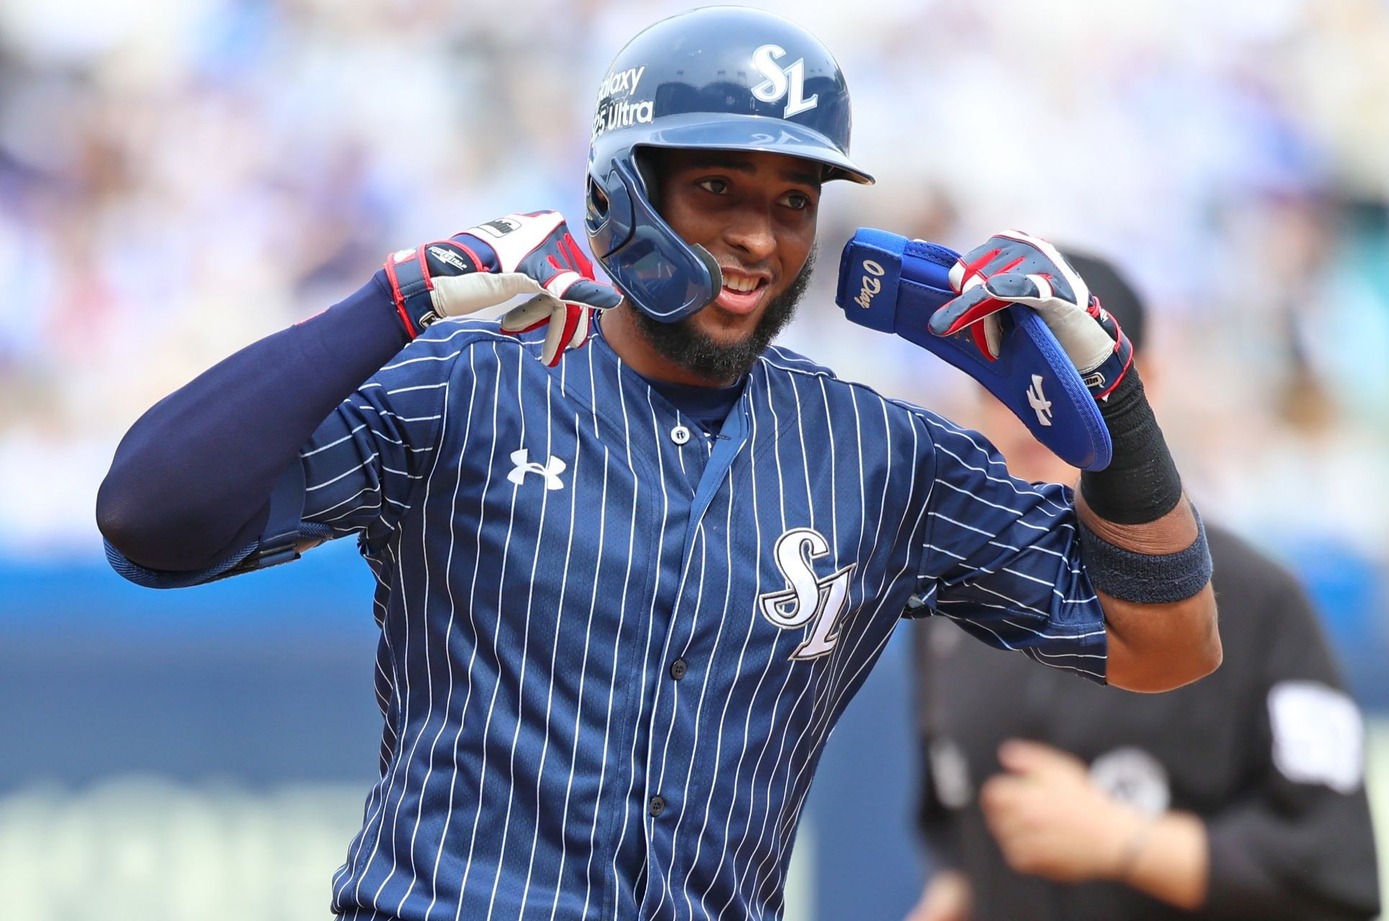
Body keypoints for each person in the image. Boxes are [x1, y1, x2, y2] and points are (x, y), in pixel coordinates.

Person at [96, 7, 1219, 920]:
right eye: (715, 189)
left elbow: (1164, 645)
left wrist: (1110, 397)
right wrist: (391, 303)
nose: (759, 236)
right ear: (620, 193)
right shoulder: (472, 381)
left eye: (791, 201)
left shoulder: (880, 453)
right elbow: (151, 518)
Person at [905, 252, 1382, 921]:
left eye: (1057, 376)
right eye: (998, 382)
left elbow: (1334, 871)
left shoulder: (1255, 599)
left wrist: (1124, 841)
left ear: (1143, 384)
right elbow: (963, 856)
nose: (1028, 409)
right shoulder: (951, 605)